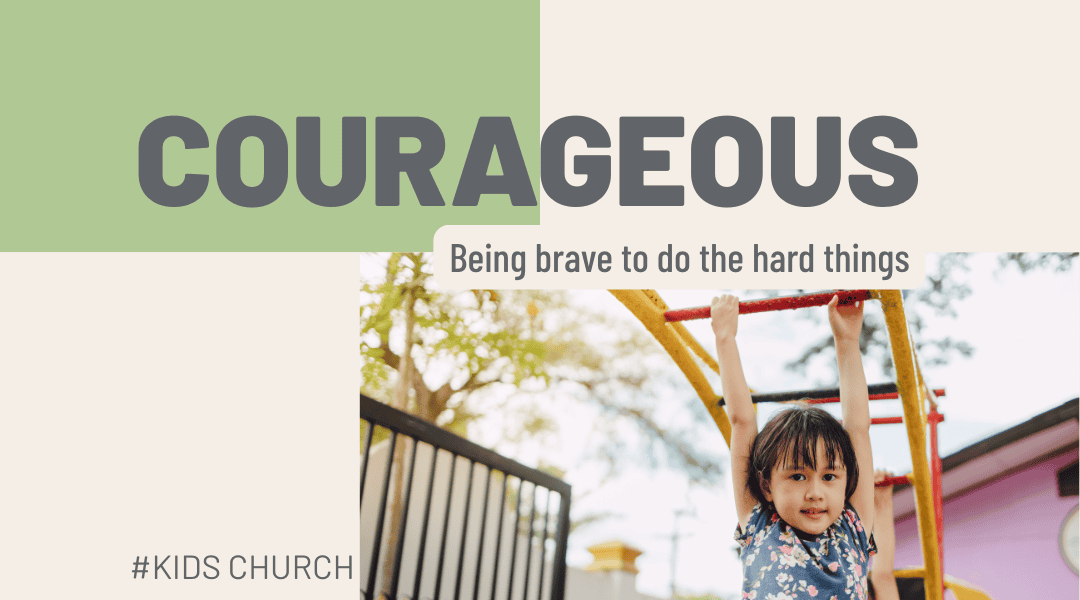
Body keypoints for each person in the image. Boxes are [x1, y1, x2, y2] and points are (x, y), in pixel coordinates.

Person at [712, 294, 876, 600]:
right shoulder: (760, 523)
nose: (815, 492)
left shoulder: (852, 530)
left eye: (829, 477)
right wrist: (725, 337)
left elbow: (857, 428)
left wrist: (848, 341)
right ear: (767, 486)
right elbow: (742, 422)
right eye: (798, 476)